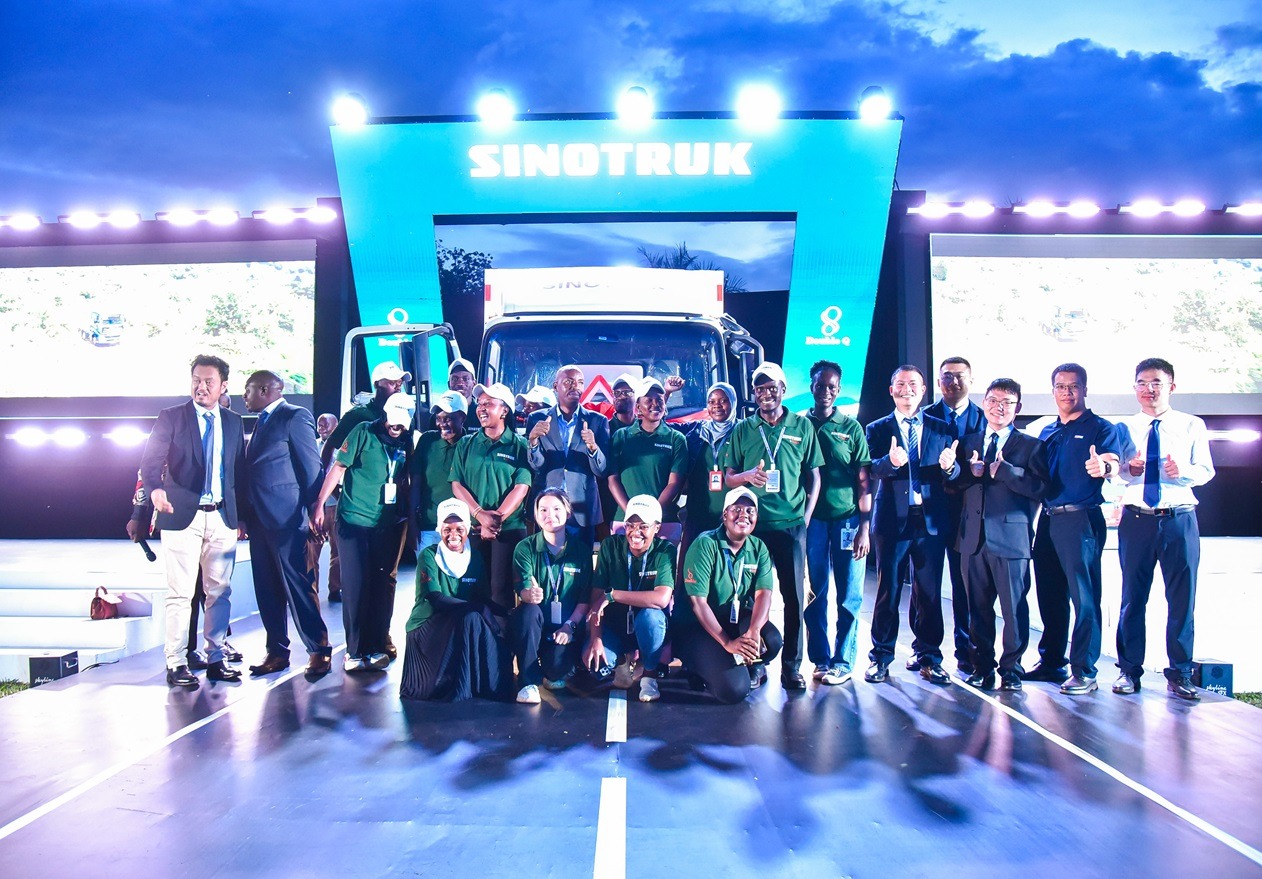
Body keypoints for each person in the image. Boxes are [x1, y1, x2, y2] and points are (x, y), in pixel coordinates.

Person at [140, 354, 247, 688]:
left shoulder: (232, 421)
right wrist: (156, 491)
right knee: (180, 594)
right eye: (197, 381)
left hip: (222, 517)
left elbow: (238, 472)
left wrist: (238, 517)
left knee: (219, 593)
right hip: (180, 516)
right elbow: (150, 462)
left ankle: (216, 657)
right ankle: (176, 662)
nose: (201, 387)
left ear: (223, 386)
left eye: (209, 382)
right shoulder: (171, 417)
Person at [1112, 357, 1215, 701]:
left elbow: (1205, 471)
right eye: (1142, 382)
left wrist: (1181, 471)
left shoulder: (1191, 425)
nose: (1149, 389)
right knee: (1132, 599)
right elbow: (1117, 475)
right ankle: (1129, 671)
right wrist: (1128, 468)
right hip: (1137, 519)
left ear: (1172, 385)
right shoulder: (1123, 428)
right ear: (1134, 388)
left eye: (1156, 382)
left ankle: (1181, 673)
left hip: (1179, 518)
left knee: (1182, 601)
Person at [942, 378, 1050, 691]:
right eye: (992, 401)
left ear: (1018, 408)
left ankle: (1012, 670)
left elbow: (1041, 488)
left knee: (1014, 609)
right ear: (984, 402)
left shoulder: (1031, 445)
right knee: (977, 608)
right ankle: (982, 668)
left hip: (1011, 540)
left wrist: (1004, 471)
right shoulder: (969, 440)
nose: (998, 408)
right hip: (972, 538)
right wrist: (954, 471)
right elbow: (953, 486)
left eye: (1006, 403)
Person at [724, 361, 822, 691]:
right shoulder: (743, 429)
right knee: (749, 599)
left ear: (782, 390)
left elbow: (814, 476)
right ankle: (755, 663)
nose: (765, 394)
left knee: (794, 599)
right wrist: (748, 477)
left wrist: (805, 519)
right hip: (752, 529)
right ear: (753, 394)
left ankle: (792, 667)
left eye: (771, 388)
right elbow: (728, 478)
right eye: (759, 389)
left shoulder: (801, 426)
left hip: (792, 527)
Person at [1025, 363, 1120, 695]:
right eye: (1061, 387)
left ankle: (1085, 669)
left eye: (1073, 386)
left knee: (1085, 596)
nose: (1067, 392)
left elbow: (1112, 461)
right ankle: (1052, 661)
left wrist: (1104, 465)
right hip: (1049, 518)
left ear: (1084, 389)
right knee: (1050, 594)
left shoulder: (1102, 428)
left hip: (1082, 519)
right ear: (1053, 391)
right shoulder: (1047, 431)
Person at [863, 366, 954, 685]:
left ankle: (929, 655)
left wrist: (951, 468)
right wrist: (892, 463)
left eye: (913, 384)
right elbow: (871, 469)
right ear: (891, 390)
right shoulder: (876, 428)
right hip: (891, 521)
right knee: (888, 591)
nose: (906, 390)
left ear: (924, 389)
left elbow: (952, 473)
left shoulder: (942, 427)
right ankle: (881, 657)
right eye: (900, 384)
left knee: (929, 592)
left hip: (929, 521)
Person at [313, 392, 414, 673]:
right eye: (394, 423)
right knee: (356, 587)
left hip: (386, 523)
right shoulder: (362, 432)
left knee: (380, 587)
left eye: (402, 425)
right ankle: (355, 651)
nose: (397, 429)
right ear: (384, 417)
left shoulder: (405, 439)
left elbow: (405, 478)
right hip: (354, 522)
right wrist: (320, 503)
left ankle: (376, 647)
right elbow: (338, 468)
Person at [240, 370, 332, 679]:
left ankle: (319, 650)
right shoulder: (260, 422)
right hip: (258, 519)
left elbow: (310, 465)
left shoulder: (295, 415)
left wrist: (315, 508)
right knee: (266, 588)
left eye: (248, 390)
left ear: (265, 389)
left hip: (288, 518)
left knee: (298, 585)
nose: (244, 396)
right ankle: (277, 652)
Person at [674, 488, 784, 703]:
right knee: (734, 691)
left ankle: (752, 664)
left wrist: (753, 630)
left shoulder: (758, 547)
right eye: (737, 509)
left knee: (772, 641)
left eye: (750, 511)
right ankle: (697, 666)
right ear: (724, 515)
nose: (744, 515)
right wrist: (726, 643)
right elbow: (698, 604)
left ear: (756, 518)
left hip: (735, 620)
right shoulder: (705, 544)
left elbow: (764, 595)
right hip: (700, 628)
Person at [399, 499, 512, 701]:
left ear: (467, 529)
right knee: (470, 616)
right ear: (439, 530)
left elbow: (481, 598)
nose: (453, 535)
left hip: (462, 621)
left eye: (459, 528)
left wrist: (506, 613)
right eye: (447, 529)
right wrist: (477, 608)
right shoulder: (429, 555)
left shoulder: (475, 557)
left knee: (474, 619)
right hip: (429, 626)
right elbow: (435, 599)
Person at [803, 361, 871, 686]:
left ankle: (843, 662)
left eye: (832, 387)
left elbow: (863, 483)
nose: (826, 391)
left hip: (847, 522)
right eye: (820, 385)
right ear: (811, 385)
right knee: (815, 593)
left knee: (849, 596)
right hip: (812, 523)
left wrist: (865, 528)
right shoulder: (799, 425)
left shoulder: (852, 427)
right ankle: (820, 659)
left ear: (839, 389)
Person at [921, 356, 986, 674]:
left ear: (971, 381)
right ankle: (927, 652)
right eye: (947, 376)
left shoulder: (983, 419)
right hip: (930, 515)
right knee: (926, 587)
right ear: (938, 382)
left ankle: (966, 651)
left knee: (965, 589)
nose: (954, 382)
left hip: (968, 518)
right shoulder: (924, 418)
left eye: (960, 376)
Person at [583, 495, 676, 702]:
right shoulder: (609, 546)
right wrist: (595, 638)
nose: (636, 532)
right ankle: (622, 660)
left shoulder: (665, 551)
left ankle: (649, 674)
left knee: (652, 617)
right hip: (616, 626)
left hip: (647, 626)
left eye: (644, 526)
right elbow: (596, 599)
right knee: (595, 666)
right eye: (630, 525)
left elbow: (661, 599)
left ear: (657, 528)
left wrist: (613, 595)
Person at [450, 382, 532, 608]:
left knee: (501, 591)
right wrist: (479, 515)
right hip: (473, 528)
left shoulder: (519, 445)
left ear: (504, 410)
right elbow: (457, 483)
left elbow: (521, 487)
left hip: (508, 529)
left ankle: (500, 641)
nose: (481, 408)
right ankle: (477, 641)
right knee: (472, 588)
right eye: (479, 403)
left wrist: (495, 520)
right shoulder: (466, 444)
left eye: (488, 403)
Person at [509, 488, 593, 704]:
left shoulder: (581, 551)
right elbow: (523, 589)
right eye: (543, 509)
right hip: (537, 622)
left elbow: (585, 599)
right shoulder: (524, 548)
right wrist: (530, 594)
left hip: (565, 627)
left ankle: (551, 666)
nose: (550, 515)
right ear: (536, 515)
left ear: (567, 511)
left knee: (556, 671)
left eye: (556, 509)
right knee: (527, 613)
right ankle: (527, 682)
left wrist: (569, 626)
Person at [526, 365, 611, 548]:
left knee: (581, 568)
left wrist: (593, 448)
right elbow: (537, 467)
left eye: (580, 383)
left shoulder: (598, 421)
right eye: (569, 382)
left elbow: (602, 470)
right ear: (555, 387)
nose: (575, 387)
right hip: (548, 507)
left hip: (581, 509)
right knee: (549, 565)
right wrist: (533, 441)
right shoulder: (536, 419)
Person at [607, 377, 688, 540]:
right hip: (624, 520)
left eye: (659, 400)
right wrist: (632, 514)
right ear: (638, 406)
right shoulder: (621, 437)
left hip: (663, 521)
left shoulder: (676, 439)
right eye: (648, 400)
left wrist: (651, 516)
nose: (655, 404)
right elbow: (613, 480)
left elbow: (674, 483)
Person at [681, 382, 739, 558]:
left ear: (733, 402)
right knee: (691, 568)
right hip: (698, 513)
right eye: (712, 401)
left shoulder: (743, 431)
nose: (717, 406)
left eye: (723, 400)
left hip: (731, 516)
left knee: (725, 570)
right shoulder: (696, 431)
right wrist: (667, 393)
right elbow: (660, 425)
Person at [411, 390, 467, 553]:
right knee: (428, 577)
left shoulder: (471, 444)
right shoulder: (427, 440)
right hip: (429, 526)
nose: (442, 424)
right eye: (439, 418)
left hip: (461, 529)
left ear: (462, 418)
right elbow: (415, 483)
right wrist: (412, 522)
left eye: (448, 418)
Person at [314, 412, 342, 603]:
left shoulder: (342, 449)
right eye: (319, 425)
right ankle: (311, 590)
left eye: (326, 425)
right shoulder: (312, 446)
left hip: (335, 506)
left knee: (337, 551)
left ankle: (335, 589)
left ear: (336, 426)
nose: (322, 429)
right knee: (311, 552)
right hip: (317, 506)